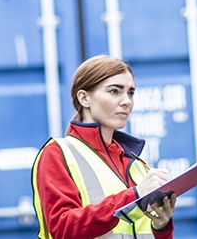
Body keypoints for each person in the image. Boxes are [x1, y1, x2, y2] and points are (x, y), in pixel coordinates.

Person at [31, 55, 177, 238]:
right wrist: (134, 196)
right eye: (115, 91)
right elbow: (63, 228)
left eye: (130, 93)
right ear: (84, 98)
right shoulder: (58, 153)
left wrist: (162, 227)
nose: (127, 101)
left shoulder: (136, 165)